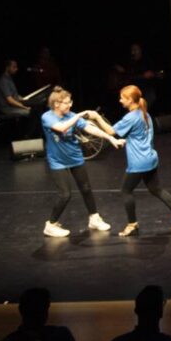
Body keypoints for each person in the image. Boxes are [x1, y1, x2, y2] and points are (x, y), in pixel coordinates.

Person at [92, 85, 171, 236]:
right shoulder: (144, 113)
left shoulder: (131, 117)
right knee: (155, 189)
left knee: (126, 190)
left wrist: (97, 117)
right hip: (150, 158)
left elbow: (111, 131)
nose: (120, 100)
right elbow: (137, 135)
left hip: (139, 162)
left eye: (122, 98)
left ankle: (132, 225)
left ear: (130, 100)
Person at [39, 87, 124, 237]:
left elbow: (90, 128)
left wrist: (111, 138)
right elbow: (62, 128)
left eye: (70, 102)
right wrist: (79, 115)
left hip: (75, 157)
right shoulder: (47, 117)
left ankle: (94, 218)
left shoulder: (71, 115)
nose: (70, 105)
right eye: (66, 103)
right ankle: (51, 225)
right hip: (58, 161)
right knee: (65, 194)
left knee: (86, 189)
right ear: (56, 104)